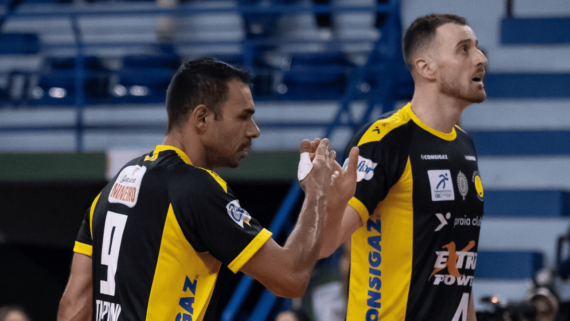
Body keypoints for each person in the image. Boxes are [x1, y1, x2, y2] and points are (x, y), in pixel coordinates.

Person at [57, 57, 359, 321]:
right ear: (202, 118)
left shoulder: (110, 190)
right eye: (244, 116)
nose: (254, 130)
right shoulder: (197, 188)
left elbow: (73, 307)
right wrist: (316, 193)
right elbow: (291, 278)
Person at [319, 14, 487, 321]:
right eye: (464, 49)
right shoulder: (383, 141)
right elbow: (325, 244)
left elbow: (460, 275)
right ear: (426, 68)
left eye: (476, 48)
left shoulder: (465, 146)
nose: (480, 58)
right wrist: (324, 200)